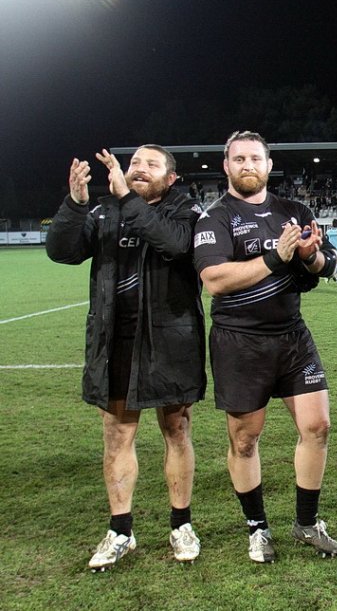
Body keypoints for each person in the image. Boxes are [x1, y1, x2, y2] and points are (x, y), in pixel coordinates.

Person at [46, 145, 206, 571]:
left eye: (151, 164)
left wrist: (128, 199)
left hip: (170, 338)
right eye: (134, 162)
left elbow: (173, 244)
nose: (139, 169)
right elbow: (62, 251)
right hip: (114, 339)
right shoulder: (101, 212)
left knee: (177, 428)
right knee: (116, 435)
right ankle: (120, 530)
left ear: (171, 178)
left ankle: (181, 524)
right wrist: (75, 203)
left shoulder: (186, 211)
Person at [192, 130, 337, 563]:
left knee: (318, 428)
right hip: (240, 342)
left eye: (255, 158)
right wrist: (277, 257)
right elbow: (214, 279)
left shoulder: (293, 211)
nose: (247, 165)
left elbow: (324, 266)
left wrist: (311, 254)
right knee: (245, 441)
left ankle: (306, 523)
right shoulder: (214, 218)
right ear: (226, 166)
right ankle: (257, 528)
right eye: (238, 159)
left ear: (268, 165)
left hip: (293, 337)